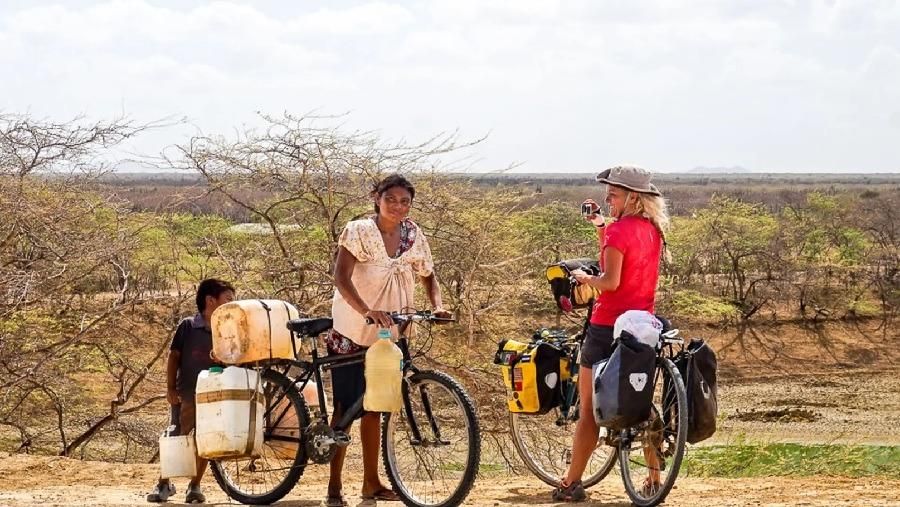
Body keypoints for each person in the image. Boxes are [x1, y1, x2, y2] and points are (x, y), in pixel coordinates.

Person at [325, 174, 451, 507]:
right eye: (391, 199)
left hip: (392, 329)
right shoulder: (359, 231)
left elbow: (429, 275)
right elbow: (340, 276)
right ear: (376, 198)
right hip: (353, 328)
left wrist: (438, 305)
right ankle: (334, 485)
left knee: (376, 407)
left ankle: (371, 483)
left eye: (404, 201)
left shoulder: (413, 234)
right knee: (345, 408)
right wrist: (367, 310)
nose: (398, 206)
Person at [552, 166, 670, 502]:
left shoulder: (620, 231)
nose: (608, 199)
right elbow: (624, 257)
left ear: (633, 196)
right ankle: (652, 477)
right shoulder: (652, 229)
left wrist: (585, 279)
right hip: (643, 324)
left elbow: (611, 282)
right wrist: (601, 225)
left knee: (588, 410)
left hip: (607, 327)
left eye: (613, 194)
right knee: (641, 401)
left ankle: (571, 483)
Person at [147, 278, 236, 504]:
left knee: (206, 442)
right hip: (185, 393)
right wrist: (170, 388)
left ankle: (194, 486)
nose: (231, 305)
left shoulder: (227, 331)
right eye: (227, 300)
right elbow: (174, 357)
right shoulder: (188, 325)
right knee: (178, 438)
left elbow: (234, 362)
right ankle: (163, 484)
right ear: (210, 300)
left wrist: (223, 359)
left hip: (214, 396)